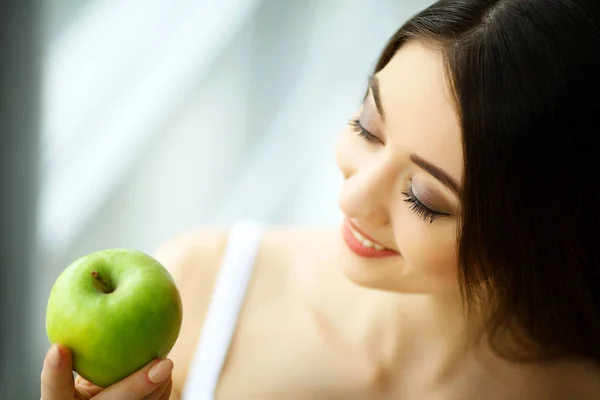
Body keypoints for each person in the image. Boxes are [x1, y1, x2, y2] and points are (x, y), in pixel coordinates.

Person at [40, 0, 600, 398]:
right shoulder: (203, 289)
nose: (354, 198)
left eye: (426, 199)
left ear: (540, 229)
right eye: (368, 126)